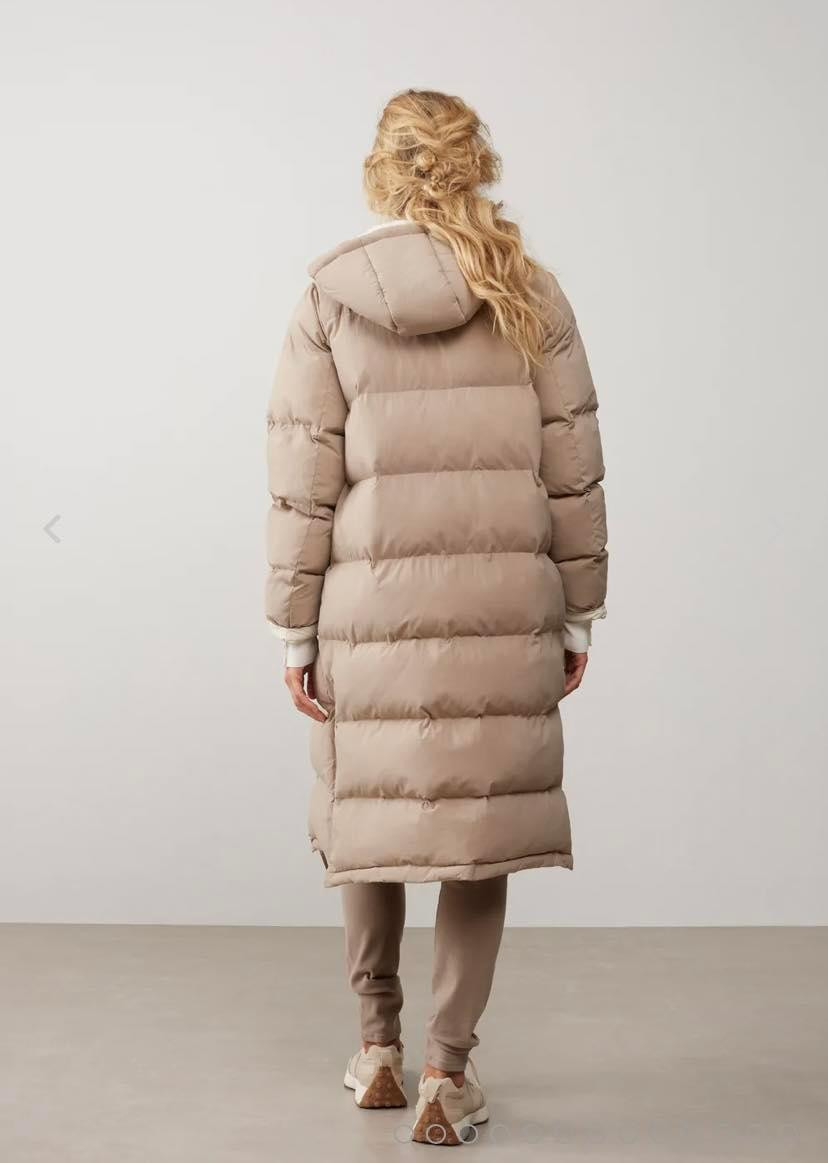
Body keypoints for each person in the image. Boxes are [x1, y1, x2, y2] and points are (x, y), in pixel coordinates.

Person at [265, 89, 608, 1146]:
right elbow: (574, 465)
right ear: (475, 164)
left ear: (382, 170)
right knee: (478, 831)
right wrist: (579, 613)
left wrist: (294, 626)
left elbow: (302, 478)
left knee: (369, 813)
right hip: (503, 605)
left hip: (370, 609)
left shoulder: (329, 298)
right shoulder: (529, 291)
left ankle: (376, 1045)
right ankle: (445, 1073)